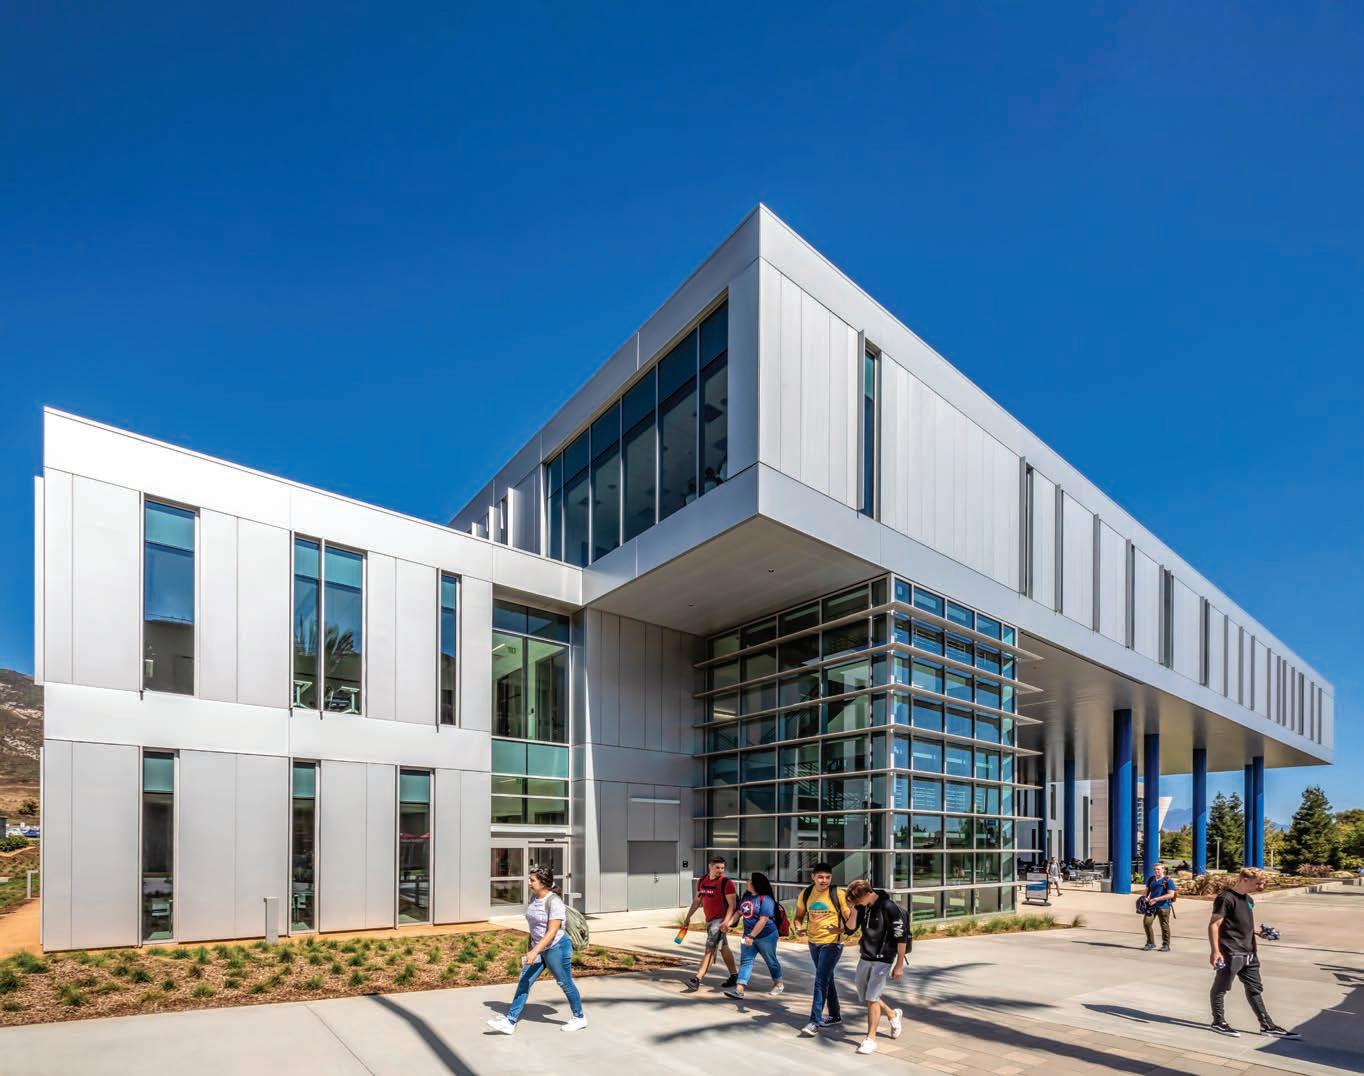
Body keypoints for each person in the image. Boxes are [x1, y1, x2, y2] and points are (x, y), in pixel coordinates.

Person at [486, 865, 586, 1035]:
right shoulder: (534, 898)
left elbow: (552, 931)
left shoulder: (554, 902)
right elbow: (535, 927)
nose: (529, 883)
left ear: (543, 883)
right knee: (525, 980)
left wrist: (534, 951)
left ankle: (579, 1017)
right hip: (538, 947)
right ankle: (510, 1022)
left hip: (556, 948)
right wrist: (531, 947)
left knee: (565, 983)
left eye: (532, 880)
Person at [1208, 867, 1300, 1039]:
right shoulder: (1225, 898)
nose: (1261, 887)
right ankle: (1218, 1022)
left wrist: (1259, 932)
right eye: (1258, 883)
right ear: (1244, 879)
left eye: (1263, 883)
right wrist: (1215, 952)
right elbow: (1214, 924)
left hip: (1250, 952)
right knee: (1221, 987)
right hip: (1231, 952)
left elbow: (1240, 923)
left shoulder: (1249, 900)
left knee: (1255, 989)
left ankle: (1267, 1026)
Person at [794, 862, 858, 1036]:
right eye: (820, 877)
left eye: (827, 877)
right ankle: (835, 1015)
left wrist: (841, 929)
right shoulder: (806, 893)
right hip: (813, 942)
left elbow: (849, 922)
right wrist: (798, 928)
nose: (824, 881)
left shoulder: (838, 894)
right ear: (813, 877)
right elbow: (798, 916)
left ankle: (814, 1021)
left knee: (820, 980)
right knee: (826, 977)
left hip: (832, 943)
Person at [846, 879, 906, 1055]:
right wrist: (853, 909)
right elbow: (850, 929)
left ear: (867, 894)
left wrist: (899, 965)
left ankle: (870, 1039)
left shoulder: (889, 907)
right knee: (865, 993)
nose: (857, 903)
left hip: (883, 958)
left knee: (872, 998)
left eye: (858, 900)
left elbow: (901, 937)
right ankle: (892, 1015)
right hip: (865, 956)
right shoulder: (863, 907)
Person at [723, 872, 783, 1000]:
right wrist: (727, 924)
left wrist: (751, 936)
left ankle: (778, 984)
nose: (747, 881)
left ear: (756, 883)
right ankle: (739, 990)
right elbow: (739, 912)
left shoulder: (766, 899)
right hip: (748, 935)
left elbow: (763, 920)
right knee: (746, 961)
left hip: (766, 936)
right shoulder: (747, 896)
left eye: (749, 880)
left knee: (770, 960)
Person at [681, 855, 738, 990]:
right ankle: (734, 976)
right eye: (717, 868)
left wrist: (726, 922)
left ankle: (697, 979)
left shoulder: (726, 883)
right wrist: (688, 917)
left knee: (710, 949)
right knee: (723, 947)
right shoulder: (702, 881)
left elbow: (732, 905)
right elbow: (697, 901)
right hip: (710, 921)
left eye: (722, 868)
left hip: (719, 922)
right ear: (710, 867)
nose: (720, 870)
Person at [1141, 863, 1177, 951]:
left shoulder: (1168, 881)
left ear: (1163, 870)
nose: (1156, 871)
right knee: (1147, 923)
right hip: (1151, 906)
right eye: (1155, 869)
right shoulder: (1151, 879)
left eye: (1158, 869)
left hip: (1164, 906)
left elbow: (1171, 895)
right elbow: (1147, 891)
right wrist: (1145, 898)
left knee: (1164, 926)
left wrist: (1156, 899)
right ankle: (1150, 943)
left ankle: (1166, 945)